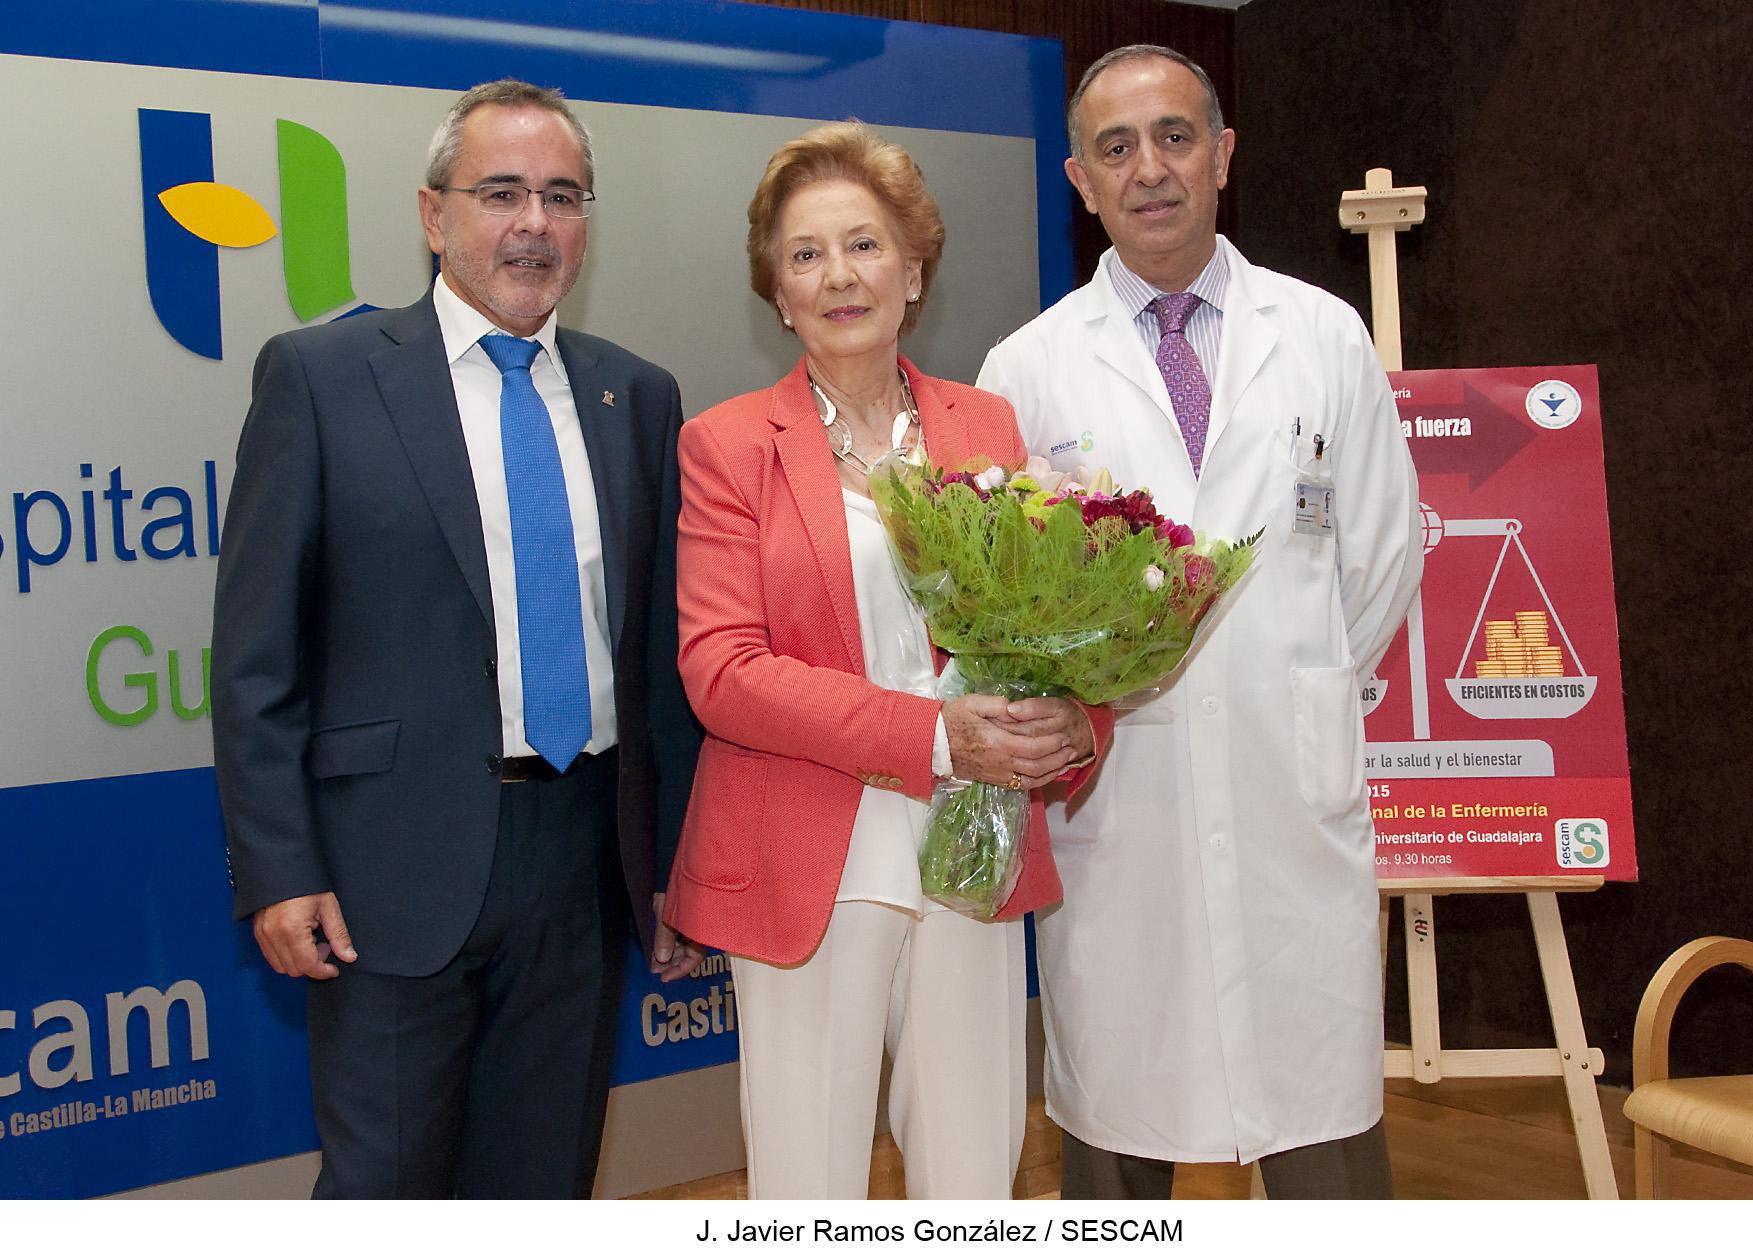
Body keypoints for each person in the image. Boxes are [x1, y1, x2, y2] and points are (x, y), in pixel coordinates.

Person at [212, 79, 700, 1199]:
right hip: (388, 872)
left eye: (563, 196)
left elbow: (658, 662)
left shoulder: (638, 395)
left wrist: (673, 862)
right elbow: (254, 659)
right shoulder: (321, 379)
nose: (535, 222)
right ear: (435, 215)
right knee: (384, 1189)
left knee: (542, 1186)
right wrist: (280, 867)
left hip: (583, 863)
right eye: (502, 192)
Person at [977, 46, 1423, 1199]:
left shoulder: (1323, 336)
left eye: (1175, 137)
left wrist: (1287, 679)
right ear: (1080, 180)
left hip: (1289, 795)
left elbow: (1378, 562)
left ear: (1223, 155)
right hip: (1122, 806)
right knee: (1120, 1122)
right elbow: (1012, 607)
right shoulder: (1026, 368)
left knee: (1320, 1134)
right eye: (1116, 147)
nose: (1150, 169)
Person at [655, 122, 1113, 1200]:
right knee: (807, 1178)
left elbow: (1046, 627)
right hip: (808, 849)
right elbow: (722, 669)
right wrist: (932, 734)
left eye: (863, 245)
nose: (837, 276)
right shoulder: (728, 445)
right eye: (805, 254)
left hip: (970, 843)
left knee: (972, 1166)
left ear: (913, 270)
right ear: (777, 294)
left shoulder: (986, 424)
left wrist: (1074, 721)